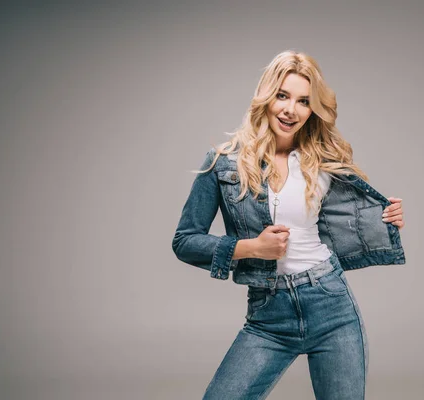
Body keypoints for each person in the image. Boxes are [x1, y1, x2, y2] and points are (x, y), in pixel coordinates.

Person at [172, 50, 406, 400]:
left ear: (312, 110)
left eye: (303, 101)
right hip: (269, 314)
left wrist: (386, 218)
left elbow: (346, 222)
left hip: (331, 306)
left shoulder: (322, 161)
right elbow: (185, 241)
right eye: (282, 96)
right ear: (266, 97)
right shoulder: (224, 163)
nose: (290, 109)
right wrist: (251, 248)